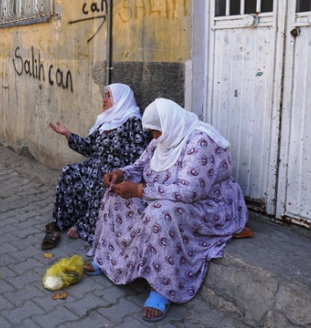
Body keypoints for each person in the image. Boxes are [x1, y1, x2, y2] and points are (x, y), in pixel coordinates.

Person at [86, 98, 248, 322]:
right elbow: (141, 166)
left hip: (206, 205)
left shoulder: (200, 141)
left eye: (156, 132)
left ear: (170, 123)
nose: (153, 138)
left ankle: (162, 289)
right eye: (152, 132)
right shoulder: (162, 138)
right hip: (160, 194)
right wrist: (121, 174)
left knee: (160, 214)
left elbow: (191, 191)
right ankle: (108, 258)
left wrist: (141, 191)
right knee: (115, 197)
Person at [42, 83, 149, 249]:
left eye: (108, 96)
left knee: (100, 180)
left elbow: (140, 156)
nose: (104, 100)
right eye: (104, 95)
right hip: (97, 166)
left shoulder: (133, 122)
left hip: (117, 172)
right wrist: (67, 134)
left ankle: (87, 228)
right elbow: (88, 148)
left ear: (121, 99)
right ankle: (64, 219)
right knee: (69, 172)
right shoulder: (105, 122)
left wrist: (117, 168)